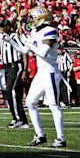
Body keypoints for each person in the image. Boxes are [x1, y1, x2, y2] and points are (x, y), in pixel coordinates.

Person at [20, 8, 67, 148]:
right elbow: (24, 51)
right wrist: (12, 40)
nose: (30, 20)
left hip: (51, 72)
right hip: (41, 72)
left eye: (33, 17)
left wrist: (29, 43)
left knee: (53, 105)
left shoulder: (51, 31)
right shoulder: (35, 31)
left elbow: (43, 52)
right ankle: (40, 135)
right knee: (30, 102)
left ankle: (61, 138)